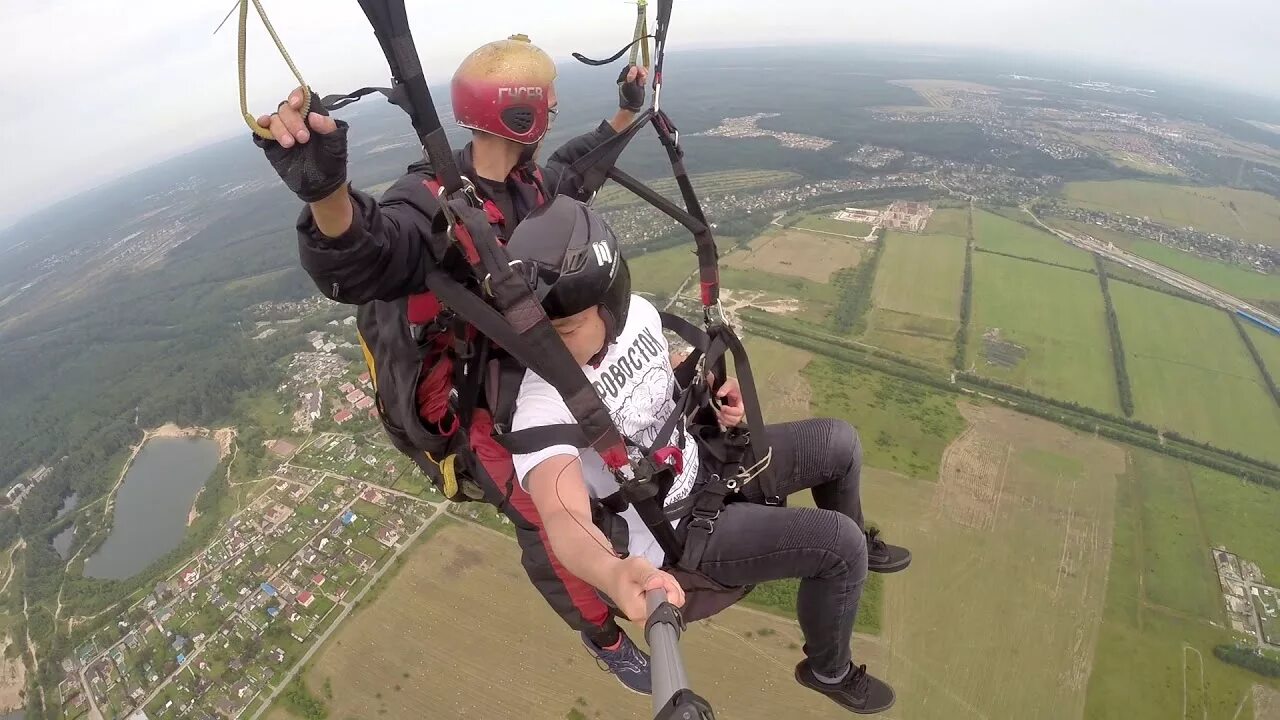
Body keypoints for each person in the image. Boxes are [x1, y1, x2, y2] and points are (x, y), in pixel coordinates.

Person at [254, 35, 654, 693]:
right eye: (545, 103)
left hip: (532, 378)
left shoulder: (524, 185)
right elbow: (369, 253)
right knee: (547, 523)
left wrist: (624, 114)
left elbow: (574, 171)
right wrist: (328, 194)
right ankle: (605, 639)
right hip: (477, 409)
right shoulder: (432, 202)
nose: (553, 112)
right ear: (522, 116)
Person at [505, 196, 911, 714]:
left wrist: (717, 388)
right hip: (678, 531)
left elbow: (664, 367)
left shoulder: (640, 318)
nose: (549, 350)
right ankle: (829, 668)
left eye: (563, 332)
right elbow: (561, 513)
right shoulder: (542, 402)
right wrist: (611, 573)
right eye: (539, 335)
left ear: (611, 305)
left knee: (840, 443)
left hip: (707, 463)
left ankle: (858, 564)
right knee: (838, 545)